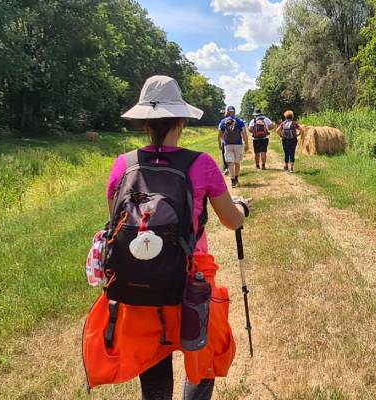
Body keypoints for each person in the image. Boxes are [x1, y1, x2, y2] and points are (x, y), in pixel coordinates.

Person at [82, 75, 252, 400]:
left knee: (153, 361)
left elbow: (116, 223)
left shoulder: (123, 165)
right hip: (192, 282)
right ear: (182, 119)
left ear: (144, 123)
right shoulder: (200, 164)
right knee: (202, 360)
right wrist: (243, 207)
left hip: (141, 284)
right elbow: (231, 221)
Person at [218, 106, 248, 188]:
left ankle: (232, 181)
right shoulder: (239, 121)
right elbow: (244, 133)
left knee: (230, 163)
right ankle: (236, 179)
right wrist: (246, 143)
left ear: (227, 112)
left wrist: (221, 143)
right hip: (238, 144)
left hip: (228, 145)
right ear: (234, 112)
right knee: (237, 162)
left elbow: (220, 134)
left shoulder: (223, 121)